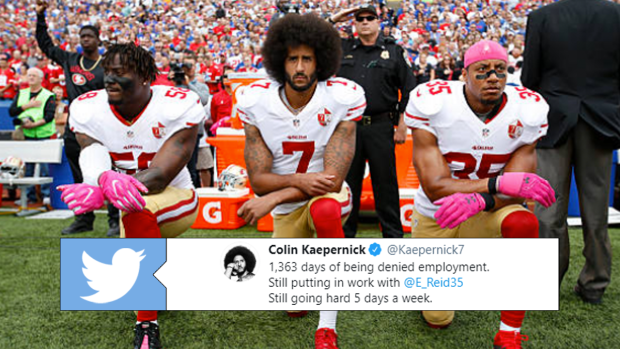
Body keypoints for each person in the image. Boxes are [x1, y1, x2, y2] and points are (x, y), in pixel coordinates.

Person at [404, 40, 555, 348]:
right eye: (482, 71)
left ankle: (509, 332)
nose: (493, 78)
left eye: (500, 70)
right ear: (464, 74)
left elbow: (520, 190)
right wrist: (495, 185)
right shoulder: (433, 103)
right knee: (437, 318)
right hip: (439, 215)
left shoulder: (527, 109)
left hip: (487, 211)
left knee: (524, 224)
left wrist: (484, 198)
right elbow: (435, 188)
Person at [57, 43, 203, 349]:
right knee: (135, 227)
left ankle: (146, 325)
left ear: (145, 76)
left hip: (177, 196)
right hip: (131, 203)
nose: (109, 79)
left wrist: (107, 188)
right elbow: (92, 149)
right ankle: (160, 281)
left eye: (119, 72)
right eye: (107, 71)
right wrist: (96, 179)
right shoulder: (88, 108)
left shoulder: (177, 104)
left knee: (136, 213)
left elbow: (161, 177)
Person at [236, 14, 364, 349]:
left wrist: (274, 198)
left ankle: (327, 327)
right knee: (292, 306)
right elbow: (260, 181)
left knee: (325, 210)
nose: (301, 67)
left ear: (321, 60)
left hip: (328, 197)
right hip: (288, 208)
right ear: (280, 62)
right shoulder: (256, 102)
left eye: (308, 58)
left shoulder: (341, 98)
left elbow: (333, 181)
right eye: (293, 58)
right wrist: (288, 189)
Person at [521, 0, 620, 305]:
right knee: (596, 209)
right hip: (601, 119)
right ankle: (594, 284)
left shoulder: (541, 16)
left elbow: (529, 77)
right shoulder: (616, 14)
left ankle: (545, 284)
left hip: (554, 118)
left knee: (548, 209)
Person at [328, 4, 416, 238]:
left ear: (378, 22)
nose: (365, 22)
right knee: (348, 183)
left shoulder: (394, 51)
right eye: (360, 19)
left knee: (385, 184)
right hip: (348, 127)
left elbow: (408, 88)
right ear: (354, 24)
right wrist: (337, 17)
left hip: (381, 125)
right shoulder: (342, 47)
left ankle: (393, 237)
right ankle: (345, 238)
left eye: (370, 18)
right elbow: (313, 35)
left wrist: (402, 123)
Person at [36, 1, 120, 236]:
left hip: (102, 126)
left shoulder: (107, 64)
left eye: (89, 36)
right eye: (82, 36)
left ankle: (115, 220)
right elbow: (45, 46)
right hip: (75, 126)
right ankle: (83, 219)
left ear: (97, 40)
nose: (84, 39)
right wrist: (40, 16)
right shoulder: (70, 60)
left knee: (108, 171)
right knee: (78, 173)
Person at [8, 67, 56, 204]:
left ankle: (46, 195)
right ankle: (29, 196)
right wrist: (27, 106)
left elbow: (49, 116)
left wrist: (34, 124)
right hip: (26, 135)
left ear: (41, 79)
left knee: (45, 167)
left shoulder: (48, 95)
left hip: (43, 134)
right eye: (29, 75)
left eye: (34, 75)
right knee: (27, 168)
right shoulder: (21, 93)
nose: (31, 78)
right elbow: (12, 112)